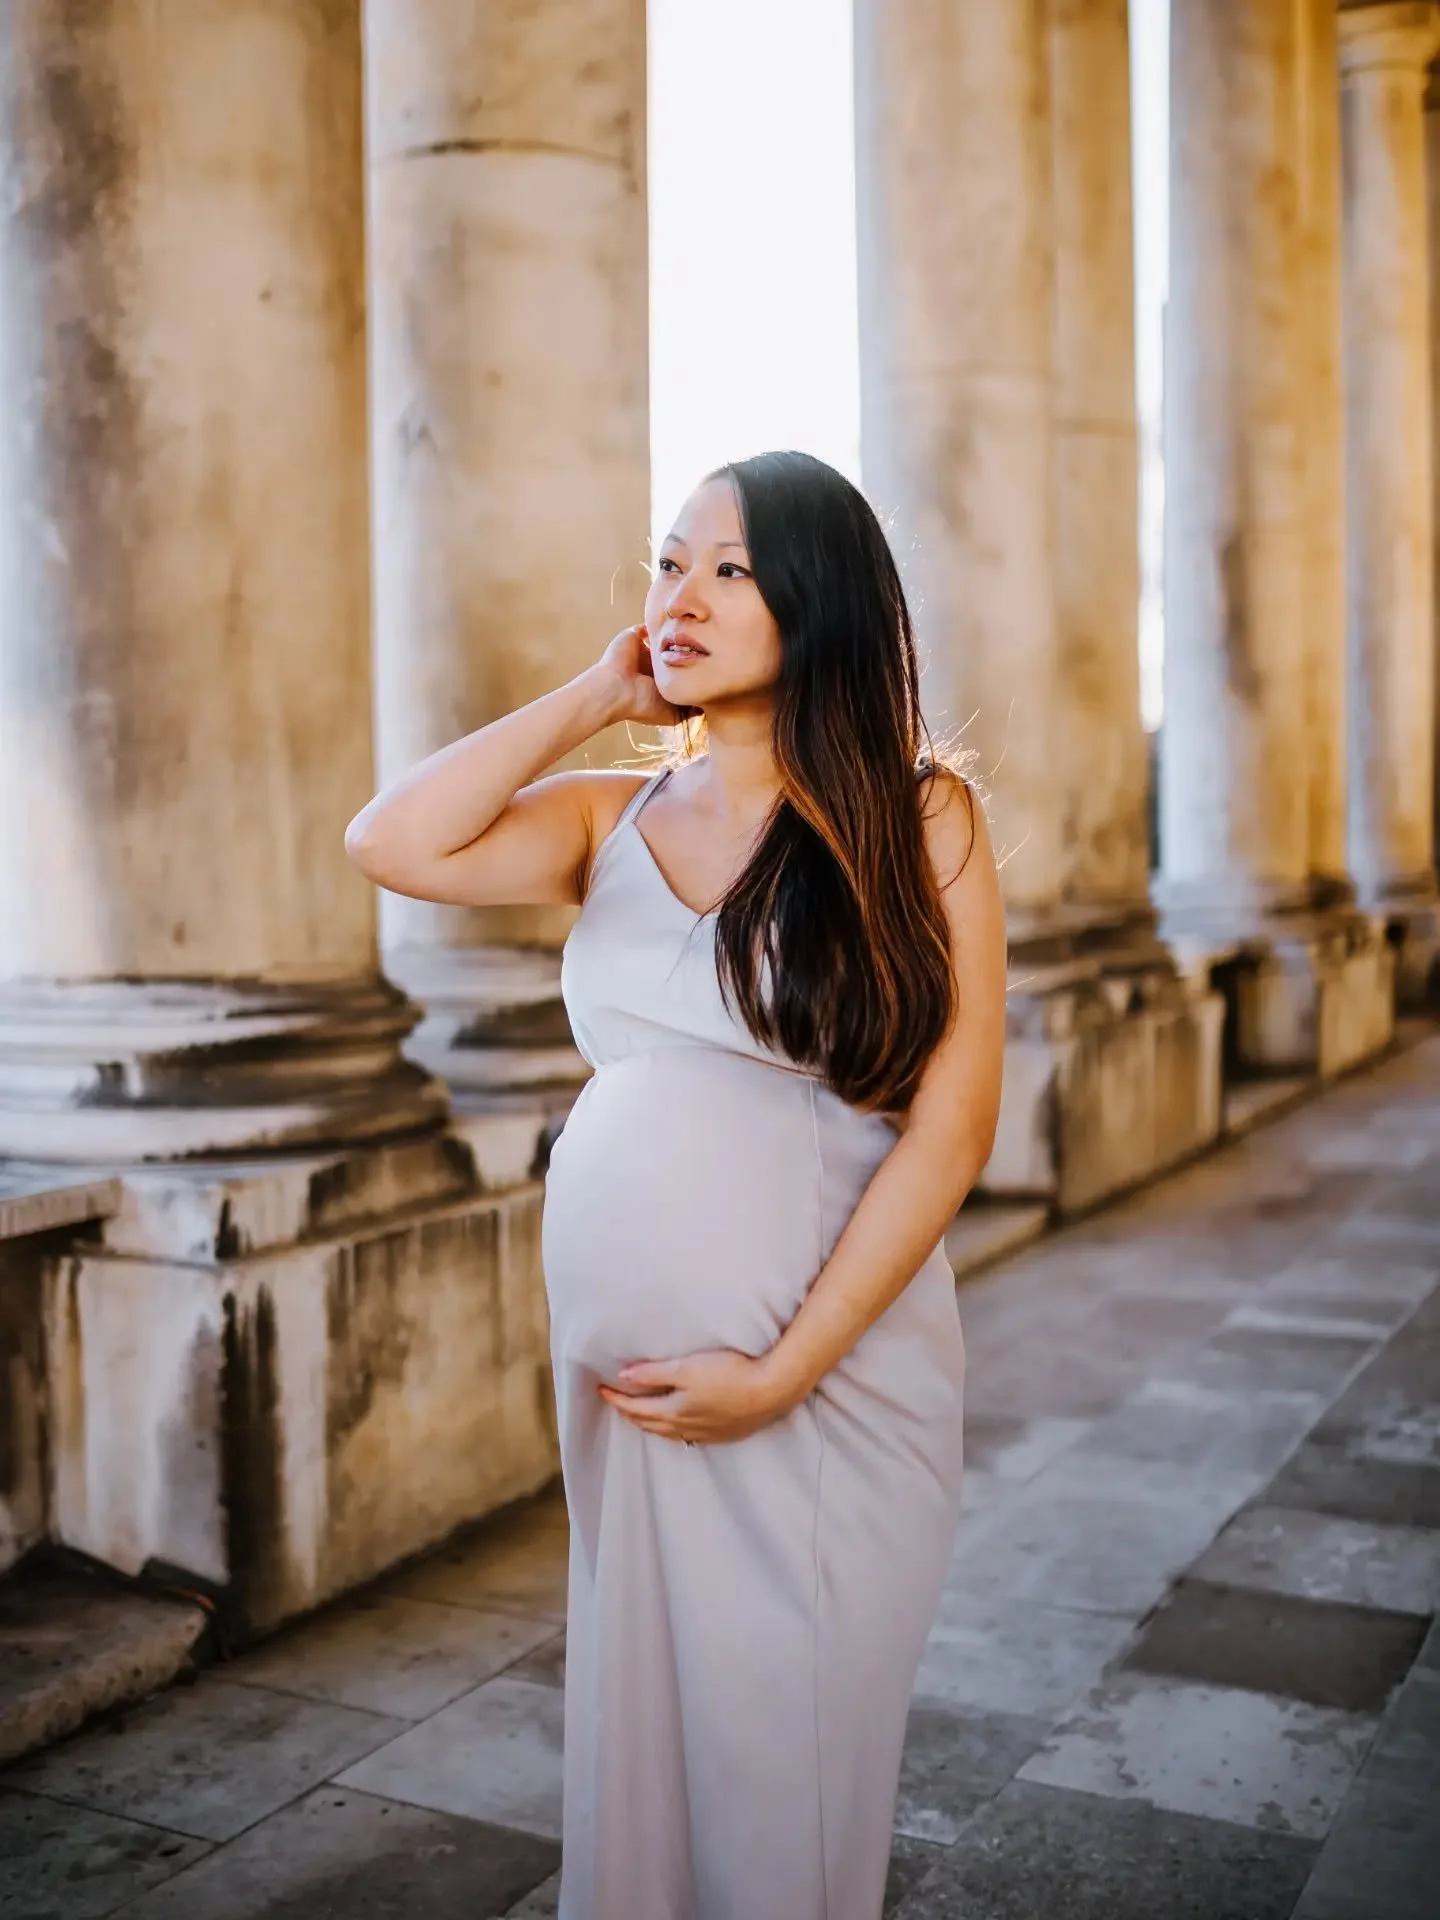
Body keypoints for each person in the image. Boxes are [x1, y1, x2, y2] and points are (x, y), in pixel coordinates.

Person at [345, 450, 1008, 1920]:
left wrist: (780, 1374)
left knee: (792, 1758)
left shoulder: (921, 816)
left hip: (835, 1381)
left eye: (730, 567)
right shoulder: (607, 822)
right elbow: (388, 840)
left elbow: (954, 1129)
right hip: (639, 1394)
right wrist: (596, 696)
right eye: (665, 564)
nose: (681, 598)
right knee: (654, 1747)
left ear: (817, 600)